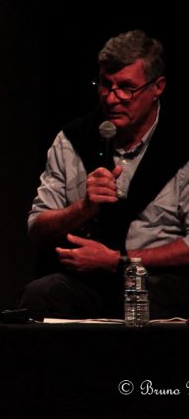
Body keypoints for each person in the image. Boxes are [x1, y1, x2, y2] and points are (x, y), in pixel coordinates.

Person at [19, 29, 189, 319]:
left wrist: (118, 262)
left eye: (126, 88)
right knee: (41, 294)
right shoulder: (73, 139)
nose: (112, 99)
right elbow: (37, 229)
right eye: (105, 85)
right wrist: (83, 208)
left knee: (148, 299)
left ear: (157, 87)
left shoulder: (182, 143)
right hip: (87, 283)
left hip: (156, 279)